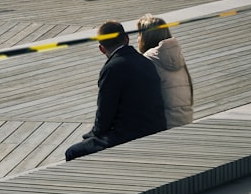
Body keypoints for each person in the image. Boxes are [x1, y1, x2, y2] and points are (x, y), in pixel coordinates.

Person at [65, 21, 167, 161]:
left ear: (101, 48)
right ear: (126, 39)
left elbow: (105, 116)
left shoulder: (112, 69)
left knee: (73, 152)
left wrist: (90, 136)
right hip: (156, 129)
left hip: (130, 136)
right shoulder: (146, 62)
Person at [136, 14, 194, 128]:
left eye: (139, 34)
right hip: (186, 120)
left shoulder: (149, 60)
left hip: (164, 125)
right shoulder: (178, 57)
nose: (138, 38)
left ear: (146, 36)